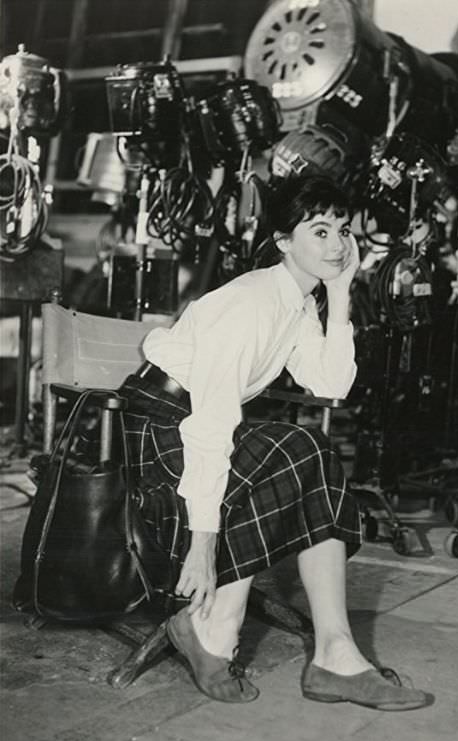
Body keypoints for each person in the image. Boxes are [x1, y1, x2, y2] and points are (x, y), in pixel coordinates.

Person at [118, 174, 432, 711]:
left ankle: (333, 653)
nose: (336, 245)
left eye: (342, 231)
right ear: (284, 240)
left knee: (309, 451)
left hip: (197, 423)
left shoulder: (299, 302)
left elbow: (332, 385)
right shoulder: (251, 303)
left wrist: (339, 293)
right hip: (161, 430)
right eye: (319, 231)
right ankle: (217, 630)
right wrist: (202, 543)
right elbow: (208, 426)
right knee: (297, 451)